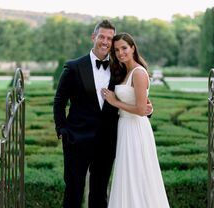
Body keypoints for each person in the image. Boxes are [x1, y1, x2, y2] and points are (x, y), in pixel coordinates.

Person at [53, 20, 152, 208]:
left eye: (109, 38)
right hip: (76, 139)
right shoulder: (74, 67)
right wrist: (62, 130)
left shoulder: (120, 69)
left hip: (107, 141)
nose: (105, 41)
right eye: (102, 37)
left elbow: (135, 98)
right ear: (94, 37)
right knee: (73, 190)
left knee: (100, 193)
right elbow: (59, 101)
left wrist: (148, 109)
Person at [101, 32, 170, 208]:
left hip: (135, 129)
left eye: (124, 48)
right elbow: (142, 103)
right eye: (116, 50)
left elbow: (140, 110)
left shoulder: (138, 72)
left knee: (138, 175)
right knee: (126, 174)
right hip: (124, 127)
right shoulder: (124, 71)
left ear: (133, 48)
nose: (120, 53)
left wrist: (114, 101)